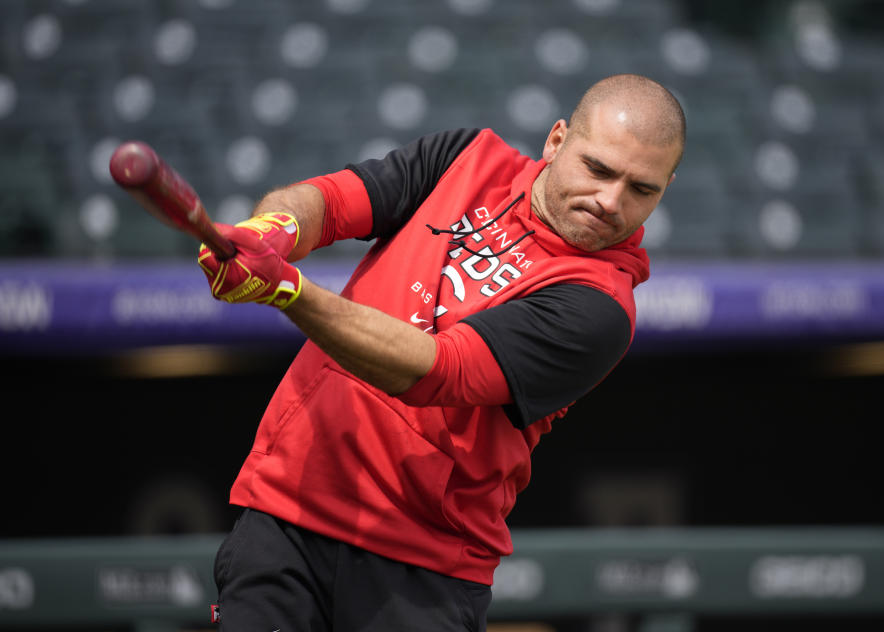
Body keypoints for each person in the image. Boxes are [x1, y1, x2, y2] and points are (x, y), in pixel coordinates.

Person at [198, 73, 685, 631]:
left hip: (421, 566)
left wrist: (287, 289)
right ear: (556, 141)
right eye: (597, 169)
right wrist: (275, 230)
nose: (610, 201)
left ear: (665, 189)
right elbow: (331, 203)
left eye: (641, 189)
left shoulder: (602, 307)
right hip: (287, 510)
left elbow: (433, 369)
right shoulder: (466, 157)